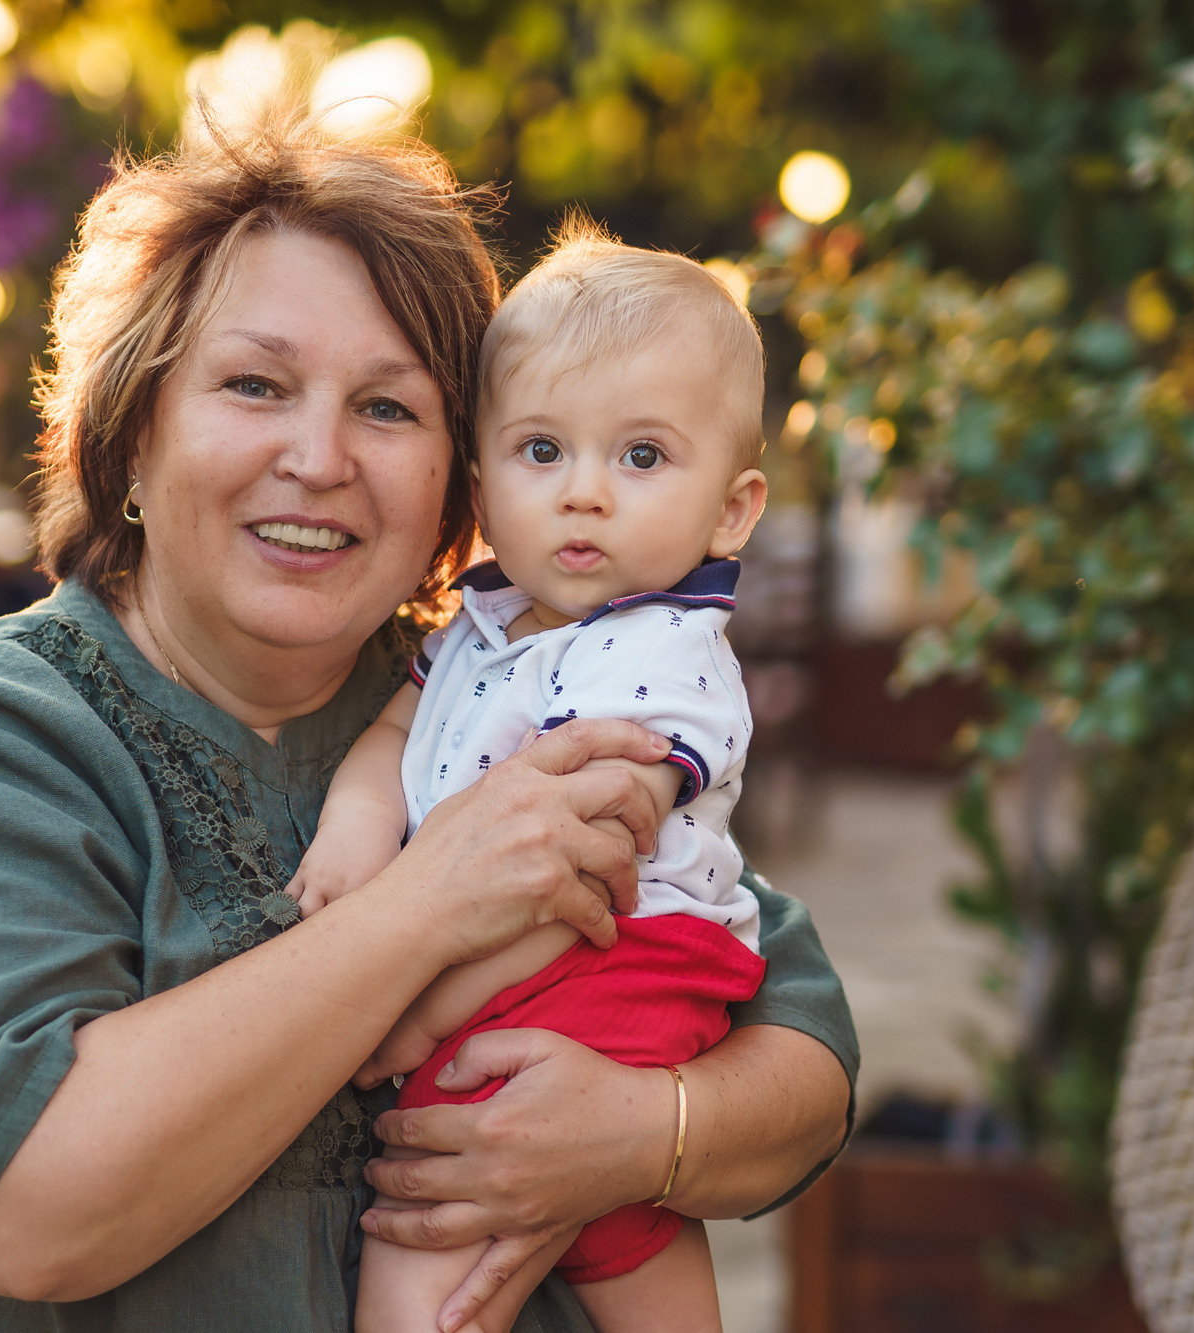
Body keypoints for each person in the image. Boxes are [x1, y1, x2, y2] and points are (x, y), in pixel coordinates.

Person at [0, 120, 858, 1333]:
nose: (316, 459)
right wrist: (429, 904)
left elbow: (802, 1046)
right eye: (254, 384)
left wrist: (637, 1135)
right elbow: (25, 1210)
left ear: (454, 487)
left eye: (386, 407)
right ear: (133, 432)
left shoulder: (498, 688)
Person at [292, 226, 773, 1333]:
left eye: (641, 457)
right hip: (521, 975)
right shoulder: (487, 624)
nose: (584, 495)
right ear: (479, 480)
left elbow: (590, 874)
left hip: (617, 969)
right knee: (587, 1258)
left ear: (731, 508)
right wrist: (359, 823)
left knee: (429, 1243)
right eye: (541, 451)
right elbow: (400, 724)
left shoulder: (667, 656)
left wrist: (421, 1019)